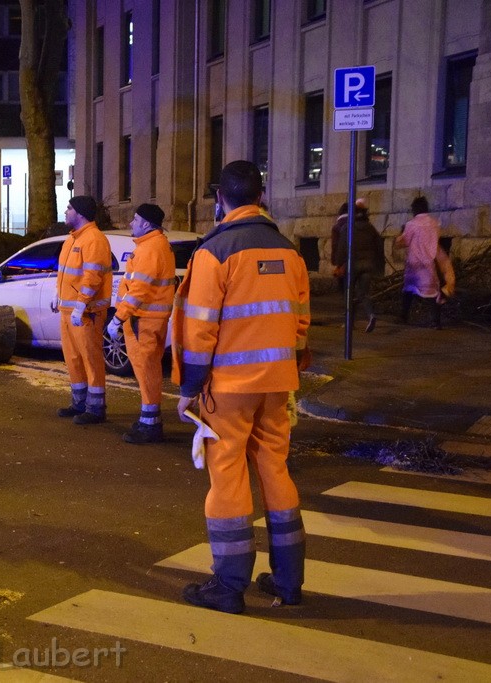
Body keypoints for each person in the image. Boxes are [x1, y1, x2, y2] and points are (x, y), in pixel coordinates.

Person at [172, 160, 310, 614]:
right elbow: (301, 327)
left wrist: (190, 388)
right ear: (260, 197)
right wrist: (290, 371)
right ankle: (288, 582)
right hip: (278, 385)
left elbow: (199, 331)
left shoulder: (215, 253)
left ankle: (229, 585)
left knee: (228, 476)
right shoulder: (290, 252)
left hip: (228, 389)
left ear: (220, 201)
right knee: (276, 470)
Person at [107, 203, 175, 444]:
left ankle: (150, 424)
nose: (131, 224)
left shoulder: (149, 249)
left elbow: (138, 291)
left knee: (146, 370)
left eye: (135, 220)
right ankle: (149, 419)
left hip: (142, 320)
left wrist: (118, 317)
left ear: (146, 223)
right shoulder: (155, 246)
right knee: (149, 370)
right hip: (149, 319)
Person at [56, 196, 113, 425]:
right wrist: (58, 296)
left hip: (86, 312)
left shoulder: (94, 239)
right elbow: (65, 273)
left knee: (90, 359)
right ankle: (79, 403)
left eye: (69, 208)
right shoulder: (72, 240)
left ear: (79, 213)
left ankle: (96, 408)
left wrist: (80, 306)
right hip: (69, 310)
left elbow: (92, 277)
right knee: (73, 358)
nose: (66, 212)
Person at [332, 199, 385, 332]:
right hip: (368, 265)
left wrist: (339, 264)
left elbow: (342, 248)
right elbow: (379, 246)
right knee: (363, 293)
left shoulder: (348, 228)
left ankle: (350, 322)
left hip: (353, 266)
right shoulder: (370, 228)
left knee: (349, 293)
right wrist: (379, 266)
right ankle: (371, 315)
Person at [396, 196, 442, 329]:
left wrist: (400, 235)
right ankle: (436, 321)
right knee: (433, 292)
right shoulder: (435, 223)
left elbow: (403, 241)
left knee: (408, 290)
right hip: (429, 262)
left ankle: (403, 316)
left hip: (414, 263)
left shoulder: (411, 224)